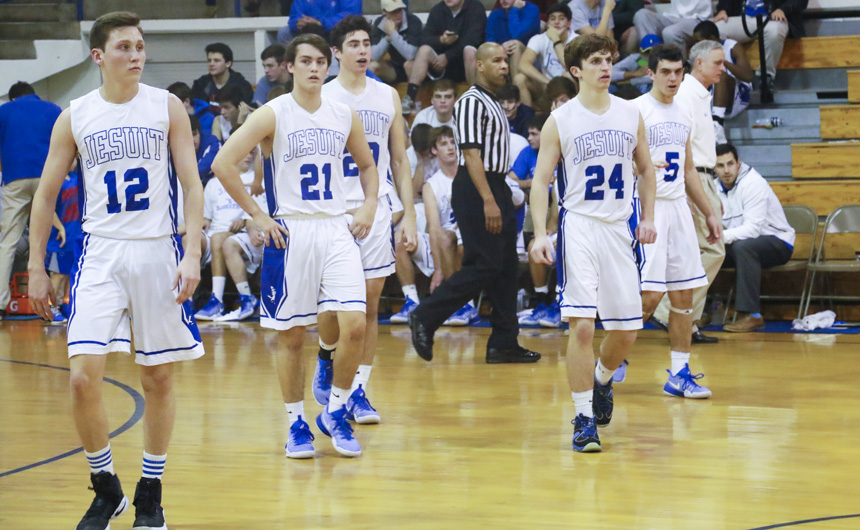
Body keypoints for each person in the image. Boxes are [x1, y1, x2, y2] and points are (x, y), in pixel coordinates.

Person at [27, 11, 205, 529]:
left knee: (159, 378)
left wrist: (192, 252)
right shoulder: (75, 114)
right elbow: (42, 196)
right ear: (98, 56)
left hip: (158, 250)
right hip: (101, 253)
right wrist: (36, 266)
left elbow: (192, 186)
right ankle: (107, 488)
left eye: (140, 46)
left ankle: (151, 491)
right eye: (124, 47)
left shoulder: (166, 106)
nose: (135, 55)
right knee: (83, 379)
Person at [211, 33, 379, 459]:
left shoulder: (344, 114)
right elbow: (223, 163)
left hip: (337, 228)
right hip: (290, 232)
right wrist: (257, 214)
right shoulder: (273, 113)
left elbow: (367, 164)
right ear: (290, 67)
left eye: (321, 61)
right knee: (290, 337)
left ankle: (335, 412)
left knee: (354, 325)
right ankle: (295, 423)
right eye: (305, 60)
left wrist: (369, 204)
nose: (314, 68)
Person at [529, 34, 657, 452]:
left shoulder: (629, 112)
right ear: (575, 71)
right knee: (582, 326)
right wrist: (538, 233)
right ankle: (583, 418)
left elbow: (646, 170)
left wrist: (649, 217)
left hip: (620, 228)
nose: (606, 67)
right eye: (597, 61)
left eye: (609, 59)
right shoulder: (561, 120)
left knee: (627, 332)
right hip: (579, 226)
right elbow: (541, 180)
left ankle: (602, 379)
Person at [409, 42, 542, 365]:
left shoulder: (493, 101)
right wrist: (488, 199)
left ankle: (503, 342)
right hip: (477, 186)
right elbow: (470, 154)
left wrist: (499, 193)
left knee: (507, 267)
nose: (503, 66)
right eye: (495, 61)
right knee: (484, 264)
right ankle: (425, 314)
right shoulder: (470, 101)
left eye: (505, 60)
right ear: (479, 66)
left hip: (496, 184)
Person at [317, 16, 418, 426]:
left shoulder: (387, 95)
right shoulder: (320, 96)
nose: (362, 50)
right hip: (331, 209)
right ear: (336, 53)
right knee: (333, 303)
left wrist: (408, 213)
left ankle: (358, 389)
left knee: (369, 304)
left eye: (366, 43)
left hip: (375, 207)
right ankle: (326, 357)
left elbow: (398, 159)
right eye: (353, 44)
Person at [634, 44, 722, 398]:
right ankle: (610, 362)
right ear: (650, 73)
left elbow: (688, 170)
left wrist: (709, 211)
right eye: (665, 72)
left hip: (679, 209)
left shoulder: (684, 112)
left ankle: (680, 372)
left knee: (684, 294)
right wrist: (638, 168)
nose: (673, 78)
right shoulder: (634, 111)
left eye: (677, 71)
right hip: (646, 209)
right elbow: (616, 163)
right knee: (649, 297)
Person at [652, 39, 726, 344]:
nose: (723, 68)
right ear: (698, 63)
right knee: (712, 249)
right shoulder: (686, 95)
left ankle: (685, 320)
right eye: (718, 63)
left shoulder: (699, 95)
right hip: (684, 182)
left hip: (700, 177)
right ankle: (671, 310)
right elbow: (681, 153)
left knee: (699, 254)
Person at [715, 143, 794, 332]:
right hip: (741, 242)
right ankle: (706, 310)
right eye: (720, 166)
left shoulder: (753, 183)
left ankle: (752, 315)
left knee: (744, 247)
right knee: (706, 251)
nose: (726, 170)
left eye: (730, 164)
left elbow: (752, 230)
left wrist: (717, 238)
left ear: (738, 164)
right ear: (713, 168)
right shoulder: (712, 186)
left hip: (777, 241)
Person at [0, 81, 62, 321]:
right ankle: (50, 301)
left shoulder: (4, 111)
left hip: (15, 179)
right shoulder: (53, 109)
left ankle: (1, 303)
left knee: (7, 242)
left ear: (13, 98)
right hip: (47, 178)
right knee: (46, 239)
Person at [391, 126, 462, 323]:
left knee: (454, 241)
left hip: (466, 242)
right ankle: (411, 300)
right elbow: (434, 228)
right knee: (399, 240)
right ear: (434, 150)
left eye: (453, 143)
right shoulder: (432, 185)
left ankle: (462, 304)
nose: (450, 148)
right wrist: (438, 268)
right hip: (441, 241)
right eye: (444, 143)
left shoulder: (470, 175)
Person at [195, 148, 259, 321]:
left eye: (253, 152)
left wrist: (245, 221)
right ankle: (184, 301)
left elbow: (258, 209)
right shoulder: (214, 183)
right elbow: (207, 216)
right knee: (189, 240)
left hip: (240, 232)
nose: (249, 155)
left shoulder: (255, 179)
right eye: (245, 151)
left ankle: (217, 300)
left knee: (218, 239)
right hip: (215, 231)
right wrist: (205, 221)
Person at [402, 0, 487, 112]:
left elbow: (474, 39)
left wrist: (447, 56)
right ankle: (410, 99)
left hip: (464, 65)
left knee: (470, 50)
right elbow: (424, 38)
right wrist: (440, 40)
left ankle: (477, 99)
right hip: (440, 67)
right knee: (424, 50)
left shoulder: (476, 8)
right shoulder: (437, 10)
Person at [713, 0, 806, 90]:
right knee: (715, 30)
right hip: (743, 18)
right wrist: (723, 10)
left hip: (773, 17)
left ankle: (766, 77)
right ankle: (726, 76)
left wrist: (782, 9)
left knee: (775, 32)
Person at [693, 20, 754, 143]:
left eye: (700, 41)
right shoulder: (701, 53)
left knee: (720, 75)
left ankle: (717, 124)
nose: (697, 44)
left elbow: (748, 76)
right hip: (714, 95)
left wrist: (723, 61)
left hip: (738, 94)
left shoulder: (733, 47)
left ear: (712, 39)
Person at [514, 3, 577, 108]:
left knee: (568, 75)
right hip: (545, 85)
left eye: (561, 19)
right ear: (547, 23)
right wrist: (547, 81)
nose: (556, 22)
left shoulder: (576, 40)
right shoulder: (539, 39)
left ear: (569, 23)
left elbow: (570, 68)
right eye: (552, 19)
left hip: (568, 86)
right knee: (519, 78)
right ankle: (526, 119)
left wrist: (556, 41)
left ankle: (571, 115)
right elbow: (523, 64)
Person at [44, 171, 82, 322]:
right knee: (57, 275)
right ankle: (50, 308)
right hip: (59, 240)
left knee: (68, 274)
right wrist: (60, 227)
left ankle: (63, 304)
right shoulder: (55, 180)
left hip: (75, 236)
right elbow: (48, 208)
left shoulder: (76, 178)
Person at [633, 0, 713, 59]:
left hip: (697, 19)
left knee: (669, 32)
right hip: (673, 17)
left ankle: (679, 70)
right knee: (641, 15)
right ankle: (652, 62)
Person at [370, 0, 423, 85]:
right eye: (393, 11)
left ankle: (411, 96)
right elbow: (373, 56)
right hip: (394, 67)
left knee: (408, 65)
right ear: (384, 12)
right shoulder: (379, 23)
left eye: (400, 10)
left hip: (416, 67)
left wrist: (393, 34)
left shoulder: (413, 21)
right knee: (371, 66)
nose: (398, 14)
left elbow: (411, 55)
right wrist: (388, 37)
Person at [486, 0, 541, 80]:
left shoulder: (531, 10)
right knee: (482, 52)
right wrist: (500, 48)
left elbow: (517, 35)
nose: (503, 0)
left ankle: (516, 88)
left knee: (515, 45)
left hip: (529, 57)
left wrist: (514, 10)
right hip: (503, 54)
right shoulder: (495, 14)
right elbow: (489, 41)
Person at [277, 0, 361, 43]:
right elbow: (295, 15)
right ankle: (294, 68)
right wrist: (299, 22)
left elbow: (352, 15)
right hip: (309, 31)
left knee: (351, 32)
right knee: (284, 33)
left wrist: (321, 22)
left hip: (336, 32)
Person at [191, 115, 221, 186]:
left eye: (194, 134)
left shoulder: (212, 143)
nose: (192, 140)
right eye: (187, 136)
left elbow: (202, 170)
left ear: (200, 133)